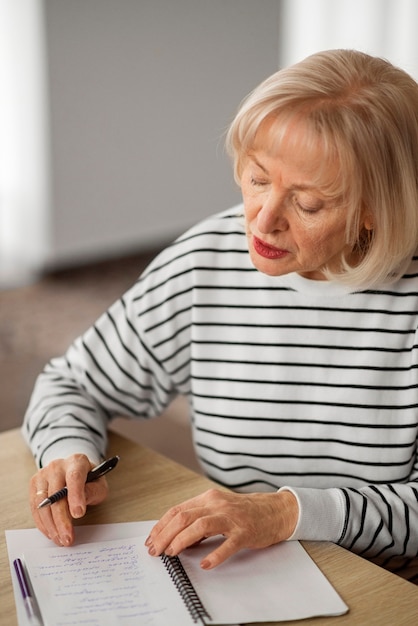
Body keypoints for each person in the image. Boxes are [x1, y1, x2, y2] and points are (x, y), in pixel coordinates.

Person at [23, 49, 418, 581]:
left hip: (385, 586)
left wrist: (285, 514)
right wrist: (67, 454)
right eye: (257, 178)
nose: (263, 220)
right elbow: (71, 383)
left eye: (308, 204)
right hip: (232, 571)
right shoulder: (207, 258)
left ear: (376, 207)